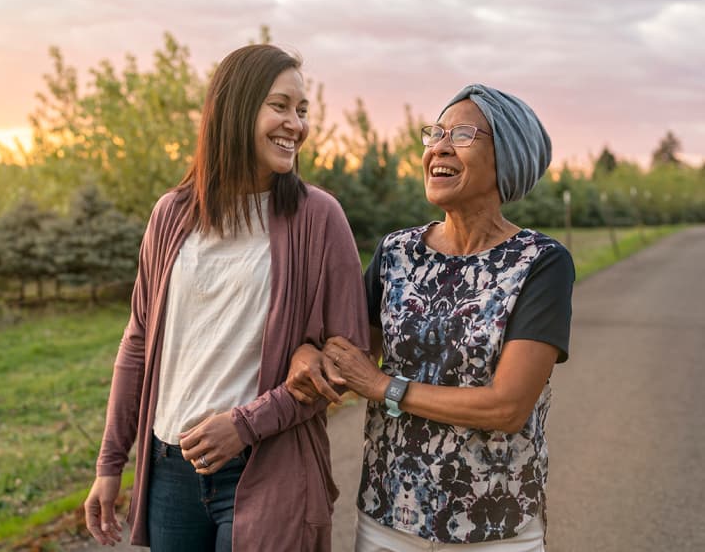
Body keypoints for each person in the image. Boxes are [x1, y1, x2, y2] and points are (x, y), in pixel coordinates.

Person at [83, 44, 370, 552]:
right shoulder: (171, 214)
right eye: (280, 106)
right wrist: (111, 464)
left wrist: (245, 424)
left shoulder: (320, 218)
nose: (296, 125)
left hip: (268, 466)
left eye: (302, 111)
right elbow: (137, 342)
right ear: (235, 108)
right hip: (170, 467)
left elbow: (347, 361)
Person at [287, 84, 574, 551]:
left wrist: (383, 387)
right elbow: (346, 354)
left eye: (461, 134)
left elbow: (507, 408)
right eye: (435, 133)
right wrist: (307, 352)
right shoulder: (396, 252)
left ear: (508, 156)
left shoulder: (541, 263)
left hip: (495, 529)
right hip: (387, 520)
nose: (438, 146)